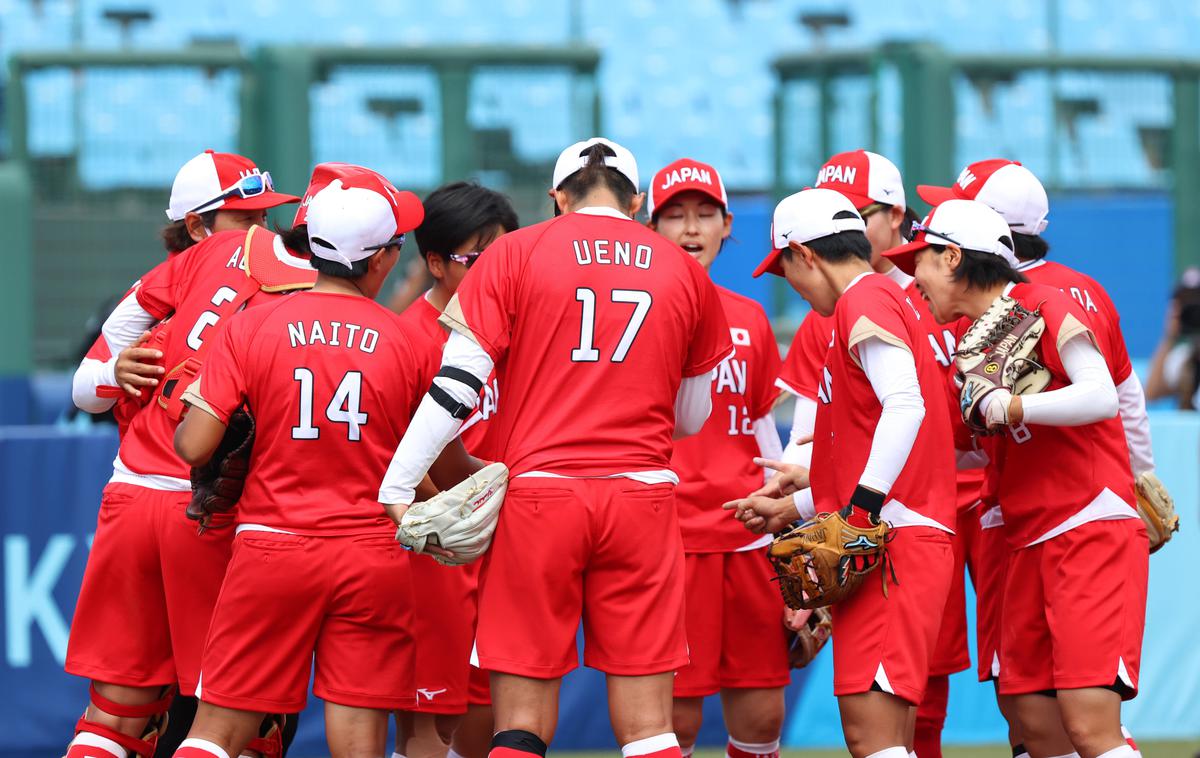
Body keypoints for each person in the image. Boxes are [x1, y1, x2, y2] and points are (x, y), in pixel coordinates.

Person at [378, 137, 733, 758]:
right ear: (638, 199)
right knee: (652, 729)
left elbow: (458, 383)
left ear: (556, 198)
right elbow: (692, 416)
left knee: (519, 722)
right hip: (641, 499)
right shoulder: (682, 269)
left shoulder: (514, 252)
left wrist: (398, 484)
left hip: (540, 498)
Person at [168, 166, 481, 758]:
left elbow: (194, 446)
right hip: (370, 558)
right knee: (358, 741)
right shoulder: (409, 340)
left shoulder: (251, 326)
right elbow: (447, 470)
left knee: (215, 734)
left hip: (271, 550)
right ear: (384, 259)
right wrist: (507, 483)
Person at [885, 198, 1147, 758]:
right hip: (1022, 532)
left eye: (920, 262)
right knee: (1032, 718)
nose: (913, 278)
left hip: (1086, 520)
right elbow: (964, 446)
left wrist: (1016, 407)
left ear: (953, 257)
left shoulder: (1040, 302)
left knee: (1087, 721)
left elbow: (1103, 396)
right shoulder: (970, 339)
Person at [64, 152, 302, 758]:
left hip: (132, 499)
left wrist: (114, 373)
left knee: (116, 713)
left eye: (263, 214)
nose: (260, 230)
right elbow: (89, 387)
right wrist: (118, 370)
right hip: (207, 513)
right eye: (242, 215)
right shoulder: (280, 272)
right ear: (197, 226)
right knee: (247, 722)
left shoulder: (179, 278)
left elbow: (86, 391)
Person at [735, 188, 957, 758]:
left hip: (897, 538)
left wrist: (859, 510)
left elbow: (906, 404)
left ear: (805, 255)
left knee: (871, 734)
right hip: (899, 531)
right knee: (885, 735)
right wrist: (797, 509)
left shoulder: (866, 300)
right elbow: (870, 439)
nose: (790, 284)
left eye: (785, 270)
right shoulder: (876, 302)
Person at [645, 158, 789, 758]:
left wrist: (791, 529)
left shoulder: (749, 316)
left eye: (705, 214)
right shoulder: (634, 314)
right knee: (675, 718)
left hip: (748, 533)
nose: (691, 228)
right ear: (648, 227)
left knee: (762, 710)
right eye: (675, 215)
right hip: (669, 536)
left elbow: (762, 432)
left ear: (729, 225)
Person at [393, 181, 519, 758]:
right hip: (439, 546)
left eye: (505, 252)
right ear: (436, 262)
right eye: (479, 257)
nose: (497, 268)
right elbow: (392, 451)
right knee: (428, 721)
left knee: (494, 710)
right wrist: (454, 505)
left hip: (508, 541)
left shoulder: (518, 332)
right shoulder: (406, 339)